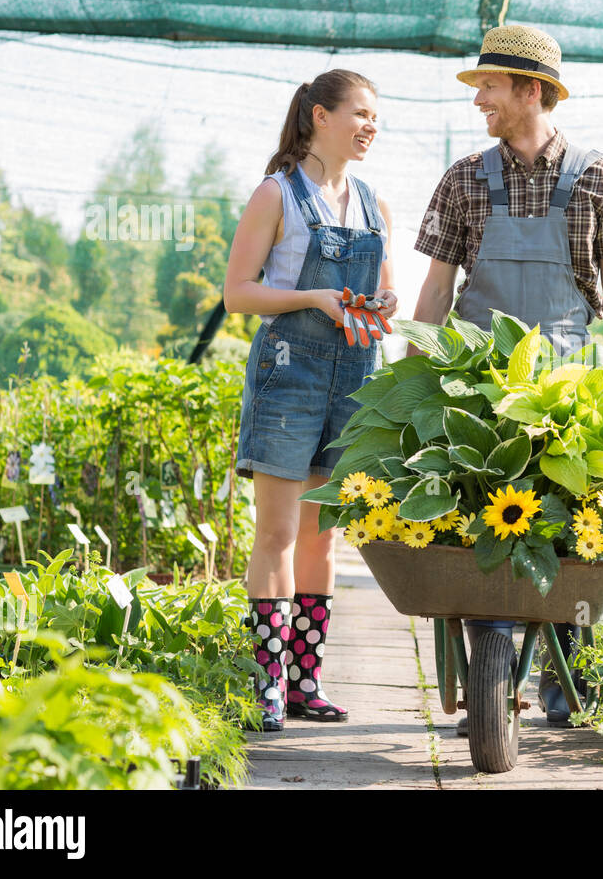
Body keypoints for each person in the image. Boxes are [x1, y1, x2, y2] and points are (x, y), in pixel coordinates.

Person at [410, 25, 603, 729]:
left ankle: (566, 682)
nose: (479, 98)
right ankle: (491, 666)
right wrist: (412, 384)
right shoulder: (463, 180)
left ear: (529, 90)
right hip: (475, 387)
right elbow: (436, 292)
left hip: (568, 389)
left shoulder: (598, 178)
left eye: (489, 86)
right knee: (481, 513)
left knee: (572, 529)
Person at [224, 69, 399, 732]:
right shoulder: (277, 194)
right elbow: (238, 293)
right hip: (290, 372)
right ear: (320, 116)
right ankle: (265, 684)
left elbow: (387, 294)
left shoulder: (374, 202)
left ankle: (305, 682)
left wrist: (381, 306)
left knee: (321, 539)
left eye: (376, 117)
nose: (370, 126)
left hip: (353, 375)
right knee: (275, 531)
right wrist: (311, 297)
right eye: (360, 113)